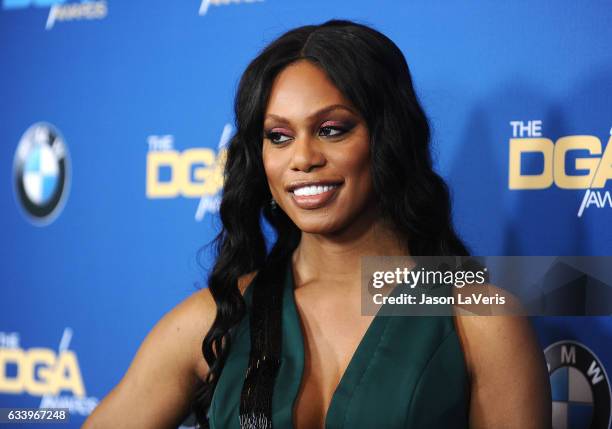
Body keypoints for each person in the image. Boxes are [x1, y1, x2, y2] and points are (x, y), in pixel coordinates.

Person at [83, 19, 551, 429]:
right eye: (279, 137)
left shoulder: (480, 318)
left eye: (332, 129)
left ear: (387, 138)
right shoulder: (215, 318)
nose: (302, 159)